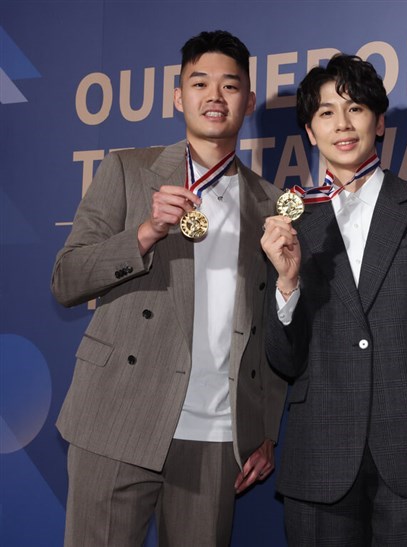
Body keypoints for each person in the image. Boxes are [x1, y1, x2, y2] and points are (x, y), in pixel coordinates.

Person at [51, 30, 287, 546]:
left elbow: (270, 328)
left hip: (216, 435)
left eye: (230, 85)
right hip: (118, 415)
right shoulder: (128, 171)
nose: (214, 96)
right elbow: (66, 279)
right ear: (178, 96)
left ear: (247, 100)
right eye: (199, 83)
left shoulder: (268, 202)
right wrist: (144, 234)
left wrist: (264, 429)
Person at [260, 54, 407, 546]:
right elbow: (282, 359)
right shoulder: (287, 224)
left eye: (355, 109)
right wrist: (287, 285)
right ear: (310, 132)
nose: (343, 124)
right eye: (326, 112)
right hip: (319, 454)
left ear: (378, 122)